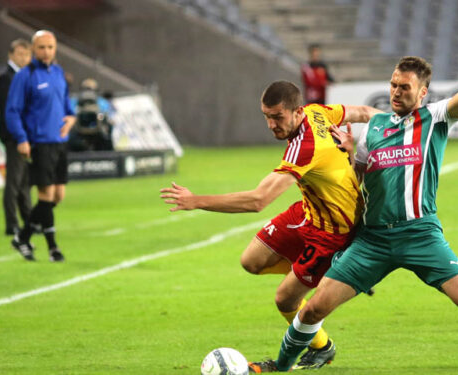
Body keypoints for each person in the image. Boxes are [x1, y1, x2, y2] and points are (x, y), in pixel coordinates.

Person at [250, 26, 458, 372]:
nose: (396, 92)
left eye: (404, 87)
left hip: (421, 235)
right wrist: (350, 155)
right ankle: (280, 365)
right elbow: (362, 180)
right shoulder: (375, 127)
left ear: (422, 92)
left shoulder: (435, 119)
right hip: (374, 240)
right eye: (393, 85)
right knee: (311, 311)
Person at [160, 81, 381, 370]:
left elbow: (258, 200)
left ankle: (322, 346)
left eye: (278, 117)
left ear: (297, 112)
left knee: (285, 299)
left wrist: (196, 201)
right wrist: (394, 127)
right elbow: (364, 112)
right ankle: (333, 274)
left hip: (333, 231)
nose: (270, 124)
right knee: (251, 261)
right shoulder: (318, 112)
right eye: (266, 116)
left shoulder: (305, 146)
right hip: (310, 210)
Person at [6, 30, 76, 262]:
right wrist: (22, 139)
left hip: (59, 142)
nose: (46, 52)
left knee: (58, 196)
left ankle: (23, 237)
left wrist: (71, 119)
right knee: (46, 195)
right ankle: (53, 248)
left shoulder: (58, 73)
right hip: (40, 142)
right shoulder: (25, 76)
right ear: (34, 49)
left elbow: (67, 107)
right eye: (41, 47)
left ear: (55, 49)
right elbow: (12, 111)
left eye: (50, 47)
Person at [0, 38, 32, 236]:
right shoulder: (6, 78)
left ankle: (28, 220)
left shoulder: (23, 77)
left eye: (27, 54)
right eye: (20, 54)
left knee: (24, 181)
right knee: (14, 182)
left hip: (24, 135)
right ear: (11, 55)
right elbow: (9, 109)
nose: (24, 58)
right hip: (14, 136)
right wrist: (18, 137)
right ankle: (12, 224)